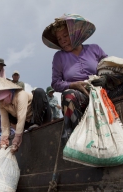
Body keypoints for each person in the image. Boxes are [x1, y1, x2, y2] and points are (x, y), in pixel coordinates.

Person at [42, 14, 108, 142]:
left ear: (75, 34)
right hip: (81, 96)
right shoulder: (59, 57)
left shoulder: (94, 48)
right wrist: (73, 85)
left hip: (104, 91)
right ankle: (76, 139)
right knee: (68, 95)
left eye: (65, 36)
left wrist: (105, 78)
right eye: (59, 38)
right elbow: (56, 83)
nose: (63, 40)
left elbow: (109, 66)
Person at [0, 77, 51, 153]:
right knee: (9, 117)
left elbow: (21, 117)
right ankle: (22, 131)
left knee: (39, 91)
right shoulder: (2, 105)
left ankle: (36, 123)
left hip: (39, 117)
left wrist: (17, 137)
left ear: (8, 94)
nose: (2, 102)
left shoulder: (21, 95)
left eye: (2, 99)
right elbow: (5, 123)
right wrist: (4, 139)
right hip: (27, 123)